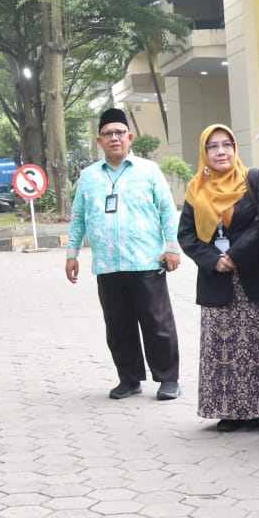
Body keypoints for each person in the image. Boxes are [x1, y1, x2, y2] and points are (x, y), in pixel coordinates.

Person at [66, 108, 183, 401]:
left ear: (129, 137)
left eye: (120, 133)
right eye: (108, 134)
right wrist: (72, 254)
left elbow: (168, 210)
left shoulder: (148, 171)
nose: (114, 138)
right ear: (99, 141)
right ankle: (129, 379)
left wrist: (171, 247)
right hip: (108, 264)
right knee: (118, 326)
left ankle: (168, 379)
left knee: (157, 324)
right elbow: (78, 217)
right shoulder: (89, 177)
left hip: (146, 261)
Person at [178, 124, 259, 433]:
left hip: (250, 275)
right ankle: (228, 411)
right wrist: (213, 260)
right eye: (213, 147)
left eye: (226, 145)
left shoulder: (252, 181)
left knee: (257, 344)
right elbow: (187, 236)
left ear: (235, 149)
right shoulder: (195, 189)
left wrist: (236, 255)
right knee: (222, 348)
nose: (221, 152)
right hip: (216, 280)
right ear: (204, 153)